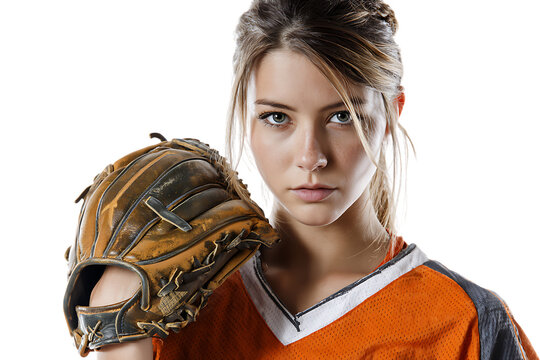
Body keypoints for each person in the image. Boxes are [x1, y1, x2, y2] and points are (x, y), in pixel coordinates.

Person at [88, 0, 538, 359]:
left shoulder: (467, 323)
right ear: (249, 118)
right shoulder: (173, 308)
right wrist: (120, 329)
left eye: (343, 116)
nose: (311, 156)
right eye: (277, 117)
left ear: (391, 116)